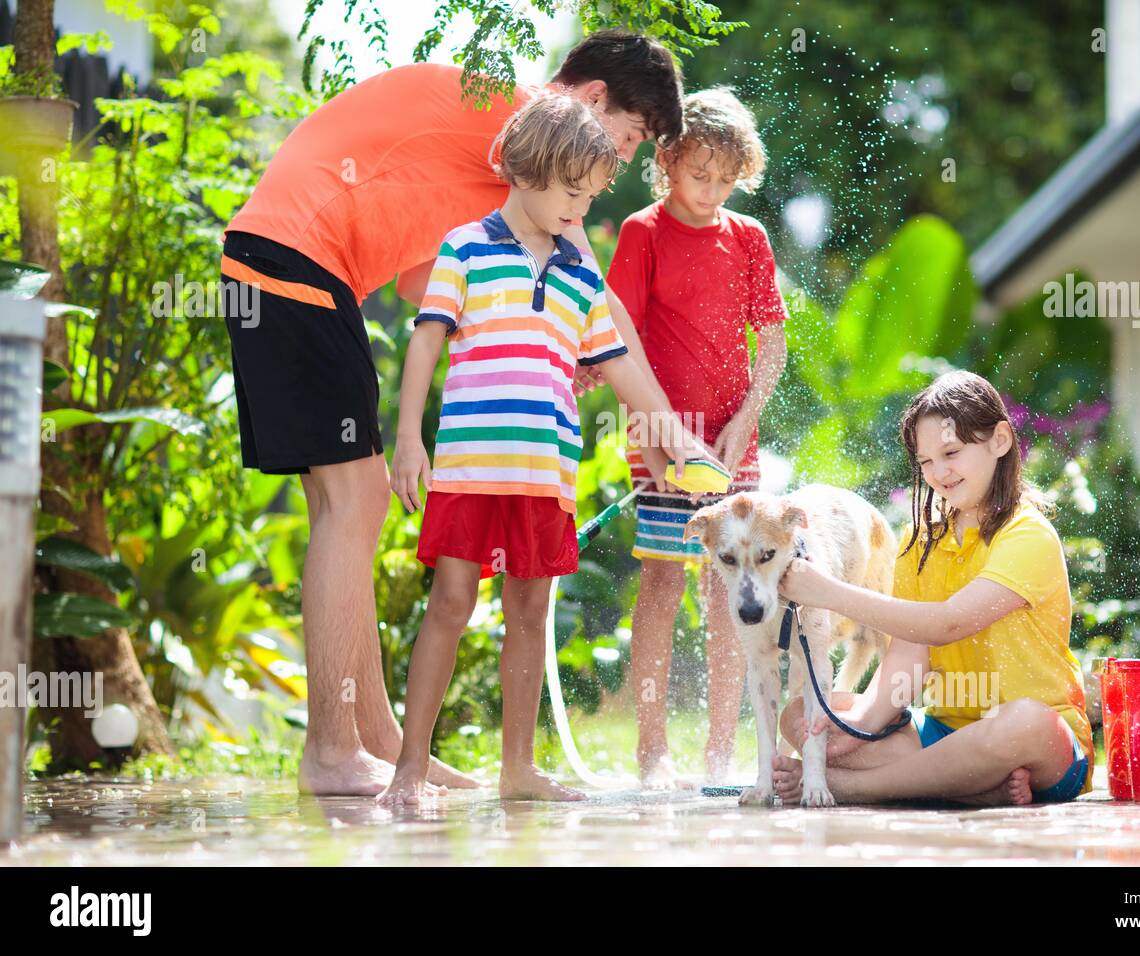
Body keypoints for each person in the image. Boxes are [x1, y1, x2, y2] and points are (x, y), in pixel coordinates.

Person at [219, 31, 685, 796]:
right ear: (592, 101)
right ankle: (333, 750)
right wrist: (662, 424)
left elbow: (417, 284)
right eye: (627, 140)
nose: (607, 172)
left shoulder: (494, 169)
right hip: (296, 256)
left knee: (353, 497)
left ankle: (375, 740)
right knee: (353, 499)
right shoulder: (525, 123)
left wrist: (534, 343)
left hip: (303, 265)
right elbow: (595, 302)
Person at [377, 93, 723, 804]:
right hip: (471, 469)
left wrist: (679, 441)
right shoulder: (465, 249)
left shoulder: (579, 275)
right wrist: (408, 437)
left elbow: (623, 366)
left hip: (546, 475)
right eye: (571, 194)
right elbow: (426, 340)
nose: (578, 212)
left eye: (590, 196)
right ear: (525, 172)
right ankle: (410, 766)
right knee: (449, 603)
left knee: (530, 612)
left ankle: (517, 769)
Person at [772, 371, 1094, 806]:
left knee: (1025, 722)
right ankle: (974, 786)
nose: (939, 473)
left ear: (1000, 441)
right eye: (926, 462)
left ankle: (855, 788)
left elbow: (946, 624)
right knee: (804, 714)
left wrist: (828, 592)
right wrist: (855, 731)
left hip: (1037, 742)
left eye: (951, 453)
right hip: (940, 734)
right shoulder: (919, 541)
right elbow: (908, 656)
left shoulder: (1027, 534)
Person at [605, 87, 789, 786]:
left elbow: (770, 343)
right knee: (659, 581)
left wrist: (743, 426)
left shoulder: (748, 239)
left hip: (732, 446)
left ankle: (719, 752)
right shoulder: (641, 233)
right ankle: (651, 750)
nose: (711, 191)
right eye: (698, 174)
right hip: (660, 438)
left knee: (730, 591)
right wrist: (658, 445)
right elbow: (620, 340)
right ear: (667, 160)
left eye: (725, 178)